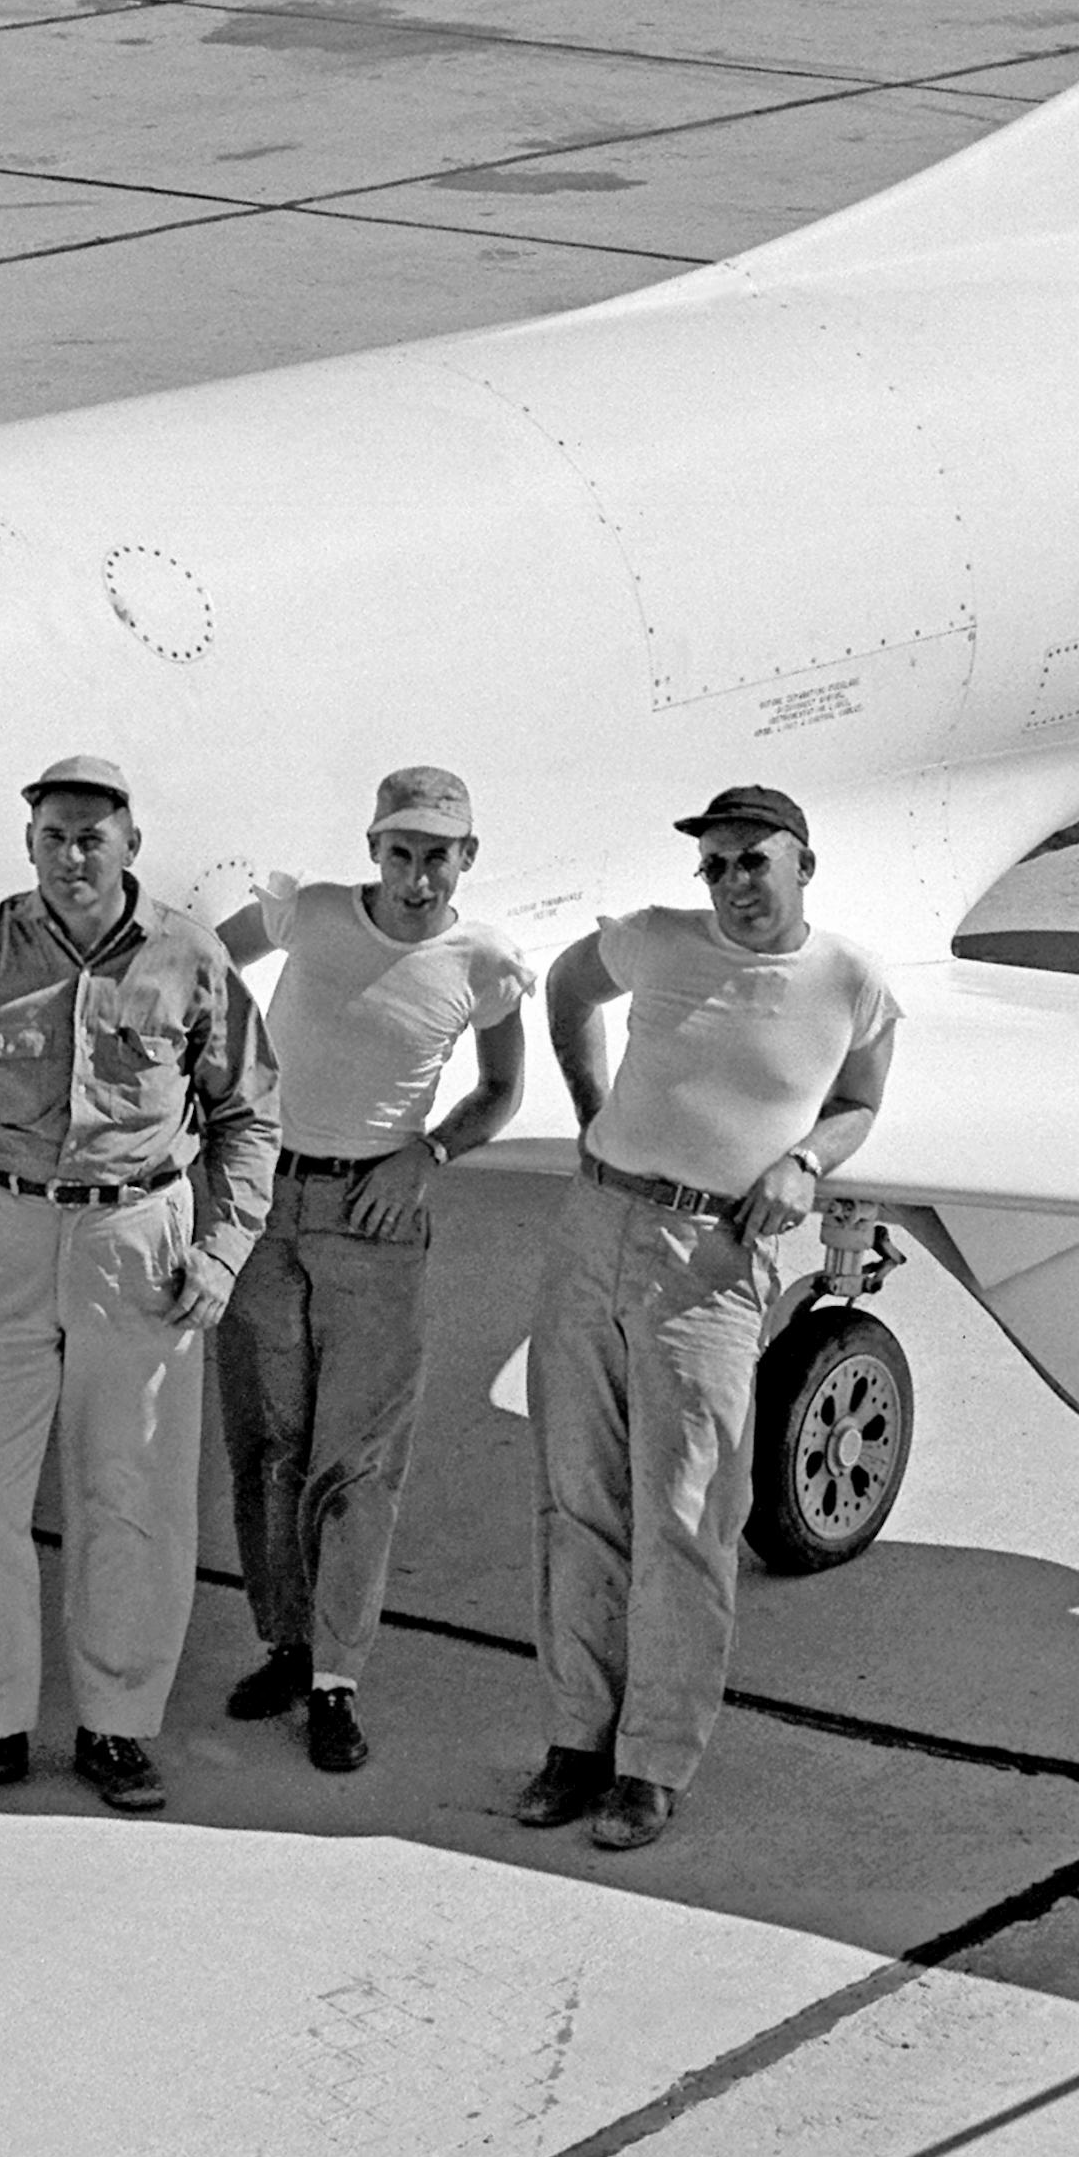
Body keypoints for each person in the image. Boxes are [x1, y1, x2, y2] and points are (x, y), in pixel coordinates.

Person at [516, 782, 898, 1854]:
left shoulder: (851, 983)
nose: (732, 884)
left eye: (752, 863)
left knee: (687, 1517)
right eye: (716, 865)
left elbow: (861, 1098)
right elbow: (565, 985)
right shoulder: (655, 940)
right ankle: (576, 1741)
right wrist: (592, 1111)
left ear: (803, 866)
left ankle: (652, 1765)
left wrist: (806, 1159)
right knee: (577, 1498)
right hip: (595, 1230)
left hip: (712, 1263)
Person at [0, 756, 276, 1817]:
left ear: (131, 846)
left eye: (92, 837)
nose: (73, 856)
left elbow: (249, 1113)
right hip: (9, 1232)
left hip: (135, 1236)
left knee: (136, 1493)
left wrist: (222, 1251)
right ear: (28, 845)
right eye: (54, 836)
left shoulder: (187, 956)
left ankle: (116, 1728)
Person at [210, 770, 532, 1776]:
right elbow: (204, 967)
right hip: (265, 1206)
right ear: (373, 849)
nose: (418, 873)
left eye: (440, 853)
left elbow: (502, 1090)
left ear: (467, 857)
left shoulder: (481, 961)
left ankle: (336, 1682)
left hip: (374, 1219)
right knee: (266, 1443)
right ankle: (287, 1643)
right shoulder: (305, 914)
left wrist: (426, 1156)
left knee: (356, 1462)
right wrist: (224, 1093)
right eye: (401, 851)